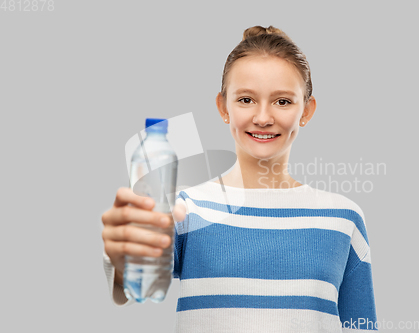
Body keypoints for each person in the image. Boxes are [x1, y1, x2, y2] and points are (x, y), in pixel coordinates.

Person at [102, 25, 378, 332]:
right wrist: (122, 256)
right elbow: (130, 285)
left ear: (307, 110)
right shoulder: (186, 209)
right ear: (223, 107)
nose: (262, 117)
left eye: (282, 101)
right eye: (246, 100)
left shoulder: (343, 218)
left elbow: (361, 326)